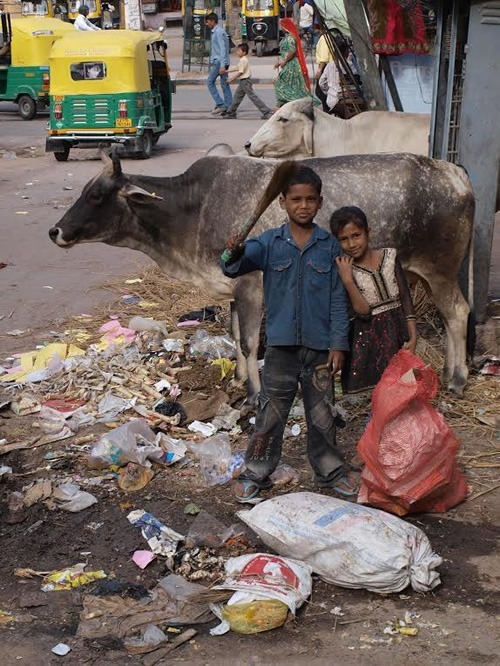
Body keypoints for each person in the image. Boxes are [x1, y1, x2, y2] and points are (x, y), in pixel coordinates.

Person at [221, 165, 357, 503]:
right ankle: (256, 473)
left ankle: (329, 471)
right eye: (296, 199)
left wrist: (338, 344)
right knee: (270, 413)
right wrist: (232, 249)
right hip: (281, 348)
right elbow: (232, 266)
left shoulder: (329, 247)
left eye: (311, 200)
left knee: (323, 415)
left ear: (320, 202)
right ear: (282, 202)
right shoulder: (269, 244)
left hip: (320, 350)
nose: (303, 206)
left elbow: (339, 302)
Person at [330, 206, 417, 394]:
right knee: (378, 396)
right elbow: (363, 312)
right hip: (368, 345)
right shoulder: (346, 271)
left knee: (402, 392)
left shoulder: (390, 257)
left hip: (397, 335)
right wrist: (347, 280)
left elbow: (405, 297)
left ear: (368, 233)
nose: (351, 244)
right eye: (344, 239)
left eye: (356, 235)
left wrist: (413, 335)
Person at [222, 43, 273, 120]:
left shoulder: (244, 60)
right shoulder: (242, 60)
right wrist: (227, 71)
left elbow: (240, 72)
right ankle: (231, 112)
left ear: (244, 52)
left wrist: (232, 78)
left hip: (245, 81)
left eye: (239, 51)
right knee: (237, 97)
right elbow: (237, 68)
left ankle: (266, 111)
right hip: (243, 81)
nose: (237, 52)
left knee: (253, 97)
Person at [274, 17, 311, 107]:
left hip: (291, 65)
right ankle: (287, 104)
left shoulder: (290, 38)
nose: (281, 28)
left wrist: (285, 61)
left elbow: (292, 50)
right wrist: (280, 62)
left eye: (282, 26)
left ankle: (287, 104)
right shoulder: (287, 37)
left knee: (280, 84)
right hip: (287, 63)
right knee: (289, 85)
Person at [205, 12, 232, 115]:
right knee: (225, 84)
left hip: (220, 62)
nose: (207, 24)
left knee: (210, 82)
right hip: (222, 61)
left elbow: (222, 49)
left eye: (208, 22)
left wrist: (221, 65)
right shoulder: (217, 31)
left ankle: (221, 104)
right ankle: (229, 106)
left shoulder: (218, 32)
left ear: (212, 21)